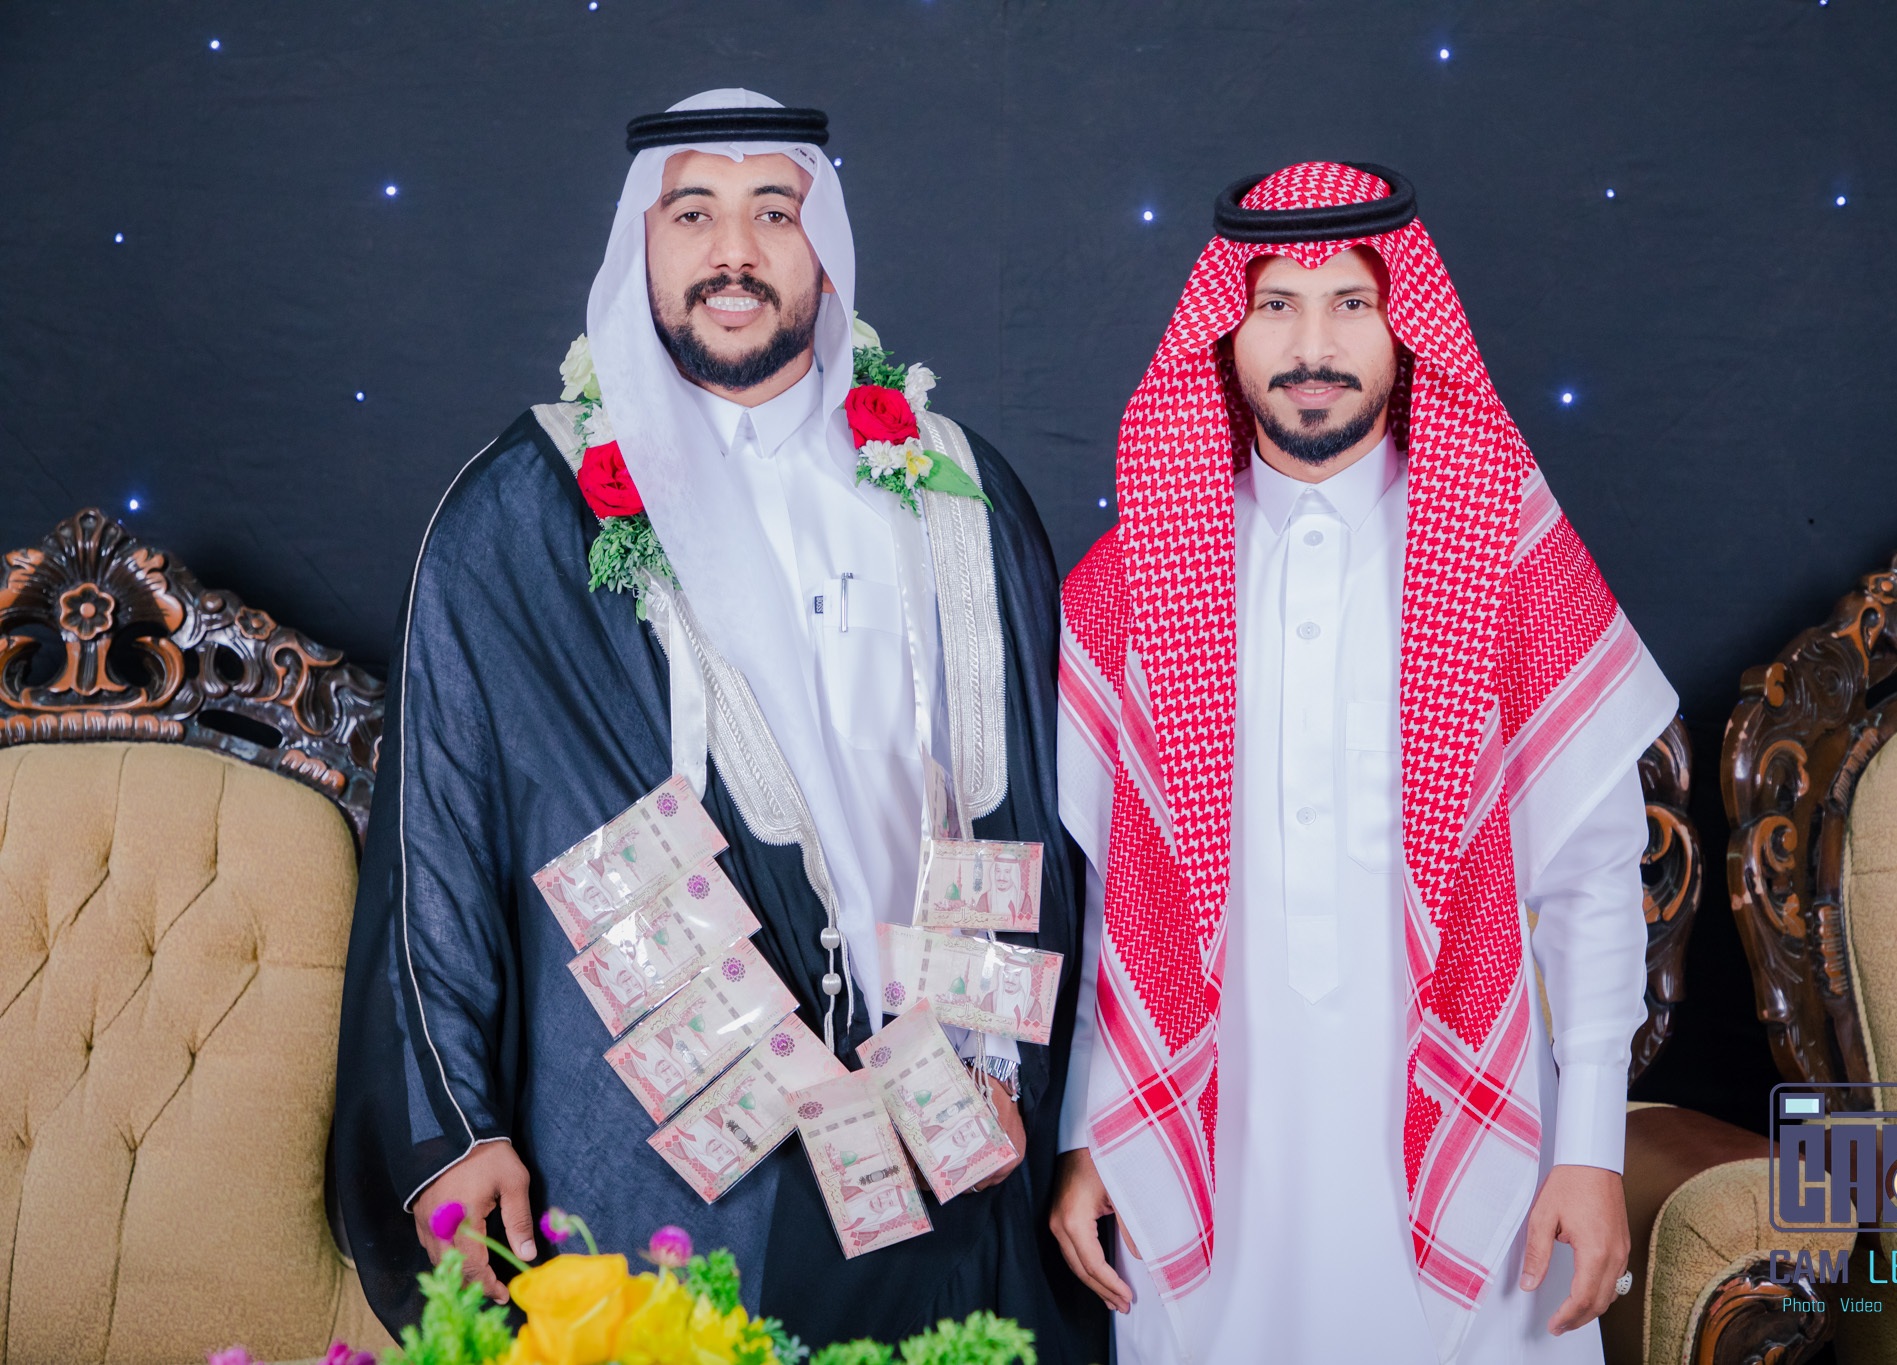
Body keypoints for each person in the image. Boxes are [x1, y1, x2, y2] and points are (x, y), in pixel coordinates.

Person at [335, 90, 1085, 1357]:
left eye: (772, 213)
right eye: (693, 215)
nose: (733, 252)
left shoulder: (952, 487)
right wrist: (454, 1128)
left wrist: (1003, 1074)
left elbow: (1033, 815)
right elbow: (437, 843)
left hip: (949, 1118)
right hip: (667, 1148)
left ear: (822, 248)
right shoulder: (521, 514)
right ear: (640, 242)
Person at [1047, 162, 1677, 1363]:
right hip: (1210, 1145)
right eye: (1275, 306)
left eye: (1350, 303)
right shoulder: (1132, 578)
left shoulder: (1504, 548)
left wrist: (1590, 1149)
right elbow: (1104, 898)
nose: (1311, 347)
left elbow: (1591, 880)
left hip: (1474, 1132)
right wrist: (1089, 1130)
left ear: (1405, 326)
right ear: (1225, 333)